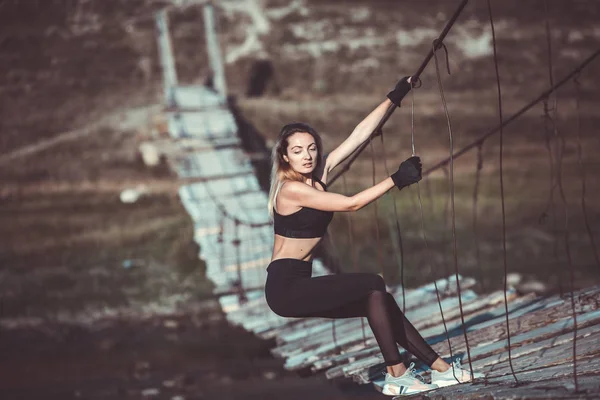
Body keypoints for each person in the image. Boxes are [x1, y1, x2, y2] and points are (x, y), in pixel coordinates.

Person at [264, 77, 483, 396]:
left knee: (377, 298)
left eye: (312, 148)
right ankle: (401, 373)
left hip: (298, 283)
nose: (307, 155)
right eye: (298, 151)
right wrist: (396, 179)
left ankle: (436, 369)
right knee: (372, 283)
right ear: (286, 157)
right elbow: (351, 204)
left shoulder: (317, 177)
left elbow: (358, 135)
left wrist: (394, 97)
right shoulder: (291, 190)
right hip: (286, 287)